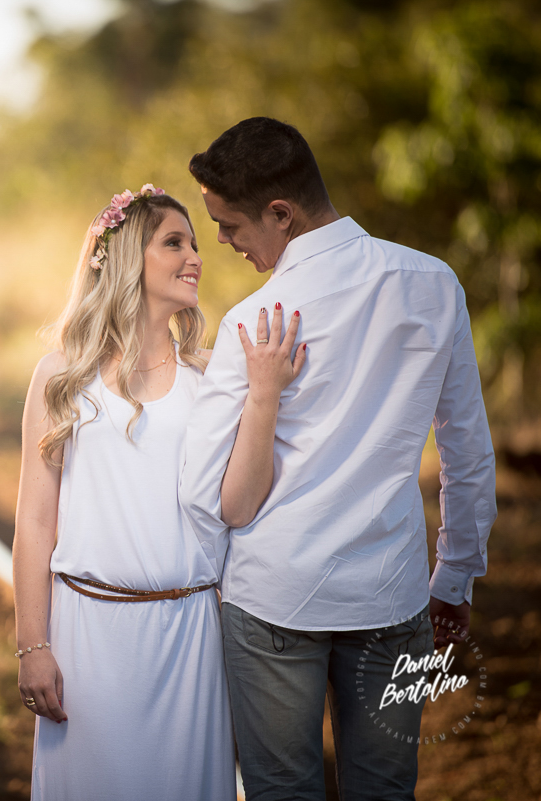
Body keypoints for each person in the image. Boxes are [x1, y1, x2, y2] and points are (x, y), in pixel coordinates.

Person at [180, 117, 497, 801]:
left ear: (280, 213)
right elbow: (468, 451)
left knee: (280, 792)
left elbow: (205, 491)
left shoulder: (253, 320)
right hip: (393, 594)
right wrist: (456, 577)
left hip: (272, 600)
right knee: (385, 792)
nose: (225, 244)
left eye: (231, 226)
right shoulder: (434, 283)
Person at [13, 184, 303, 799]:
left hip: (191, 637)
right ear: (124, 259)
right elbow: (35, 524)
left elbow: (241, 507)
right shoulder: (61, 377)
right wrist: (31, 645)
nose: (196, 255)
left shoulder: (210, 377)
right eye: (174, 243)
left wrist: (263, 398)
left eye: (196, 243)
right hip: (89, 635)